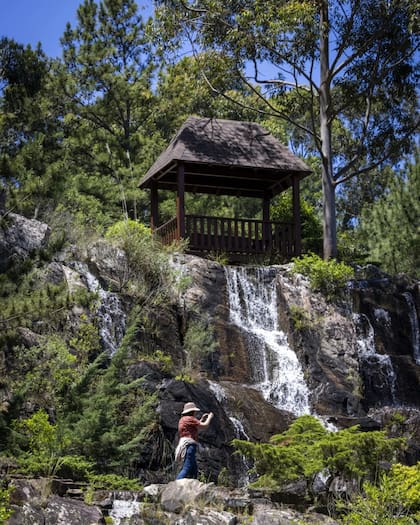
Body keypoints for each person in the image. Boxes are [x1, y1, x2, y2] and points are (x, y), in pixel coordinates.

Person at [175, 401, 214, 480]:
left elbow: (194, 427)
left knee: (194, 469)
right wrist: (210, 417)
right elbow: (204, 426)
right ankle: (176, 484)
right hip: (190, 445)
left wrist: (202, 419)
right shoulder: (190, 419)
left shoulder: (183, 419)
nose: (195, 413)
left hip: (185, 444)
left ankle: (195, 482)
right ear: (192, 412)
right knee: (187, 467)